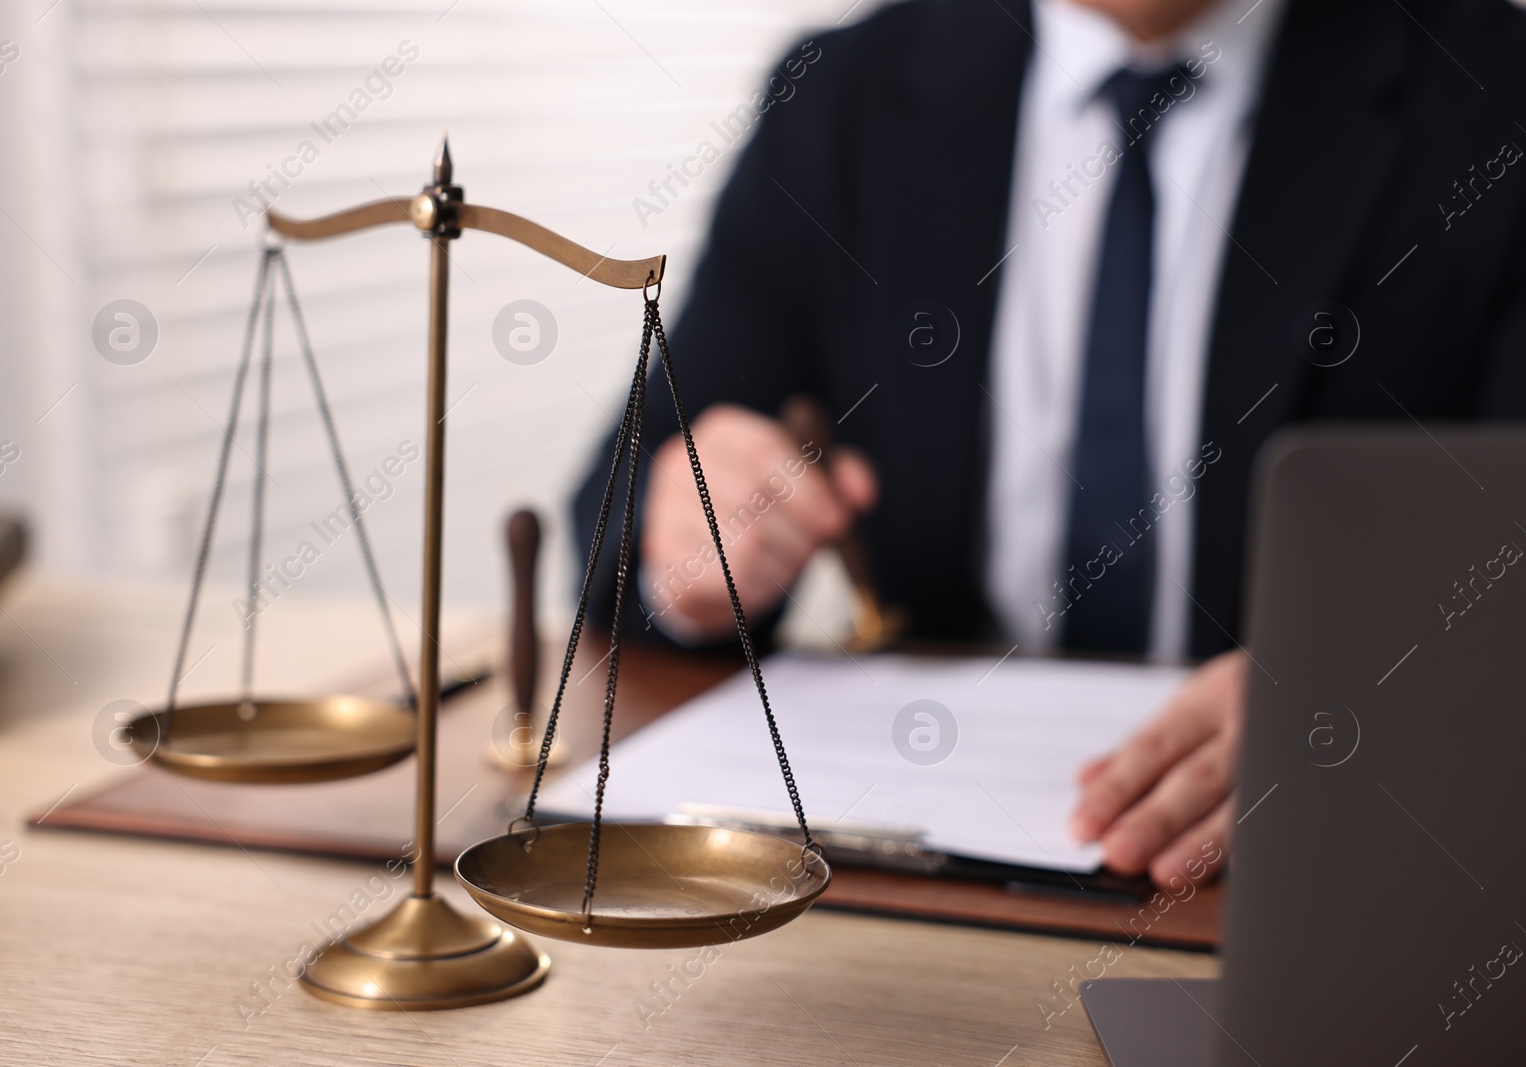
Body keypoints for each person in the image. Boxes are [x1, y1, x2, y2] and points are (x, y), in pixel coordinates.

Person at [575, 0, 1526, 889]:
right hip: (925, 862)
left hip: (1314, 875)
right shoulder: (845, 95)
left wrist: (1387, 682)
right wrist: (686, 549)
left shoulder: (1492, 95)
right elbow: (619, 506)